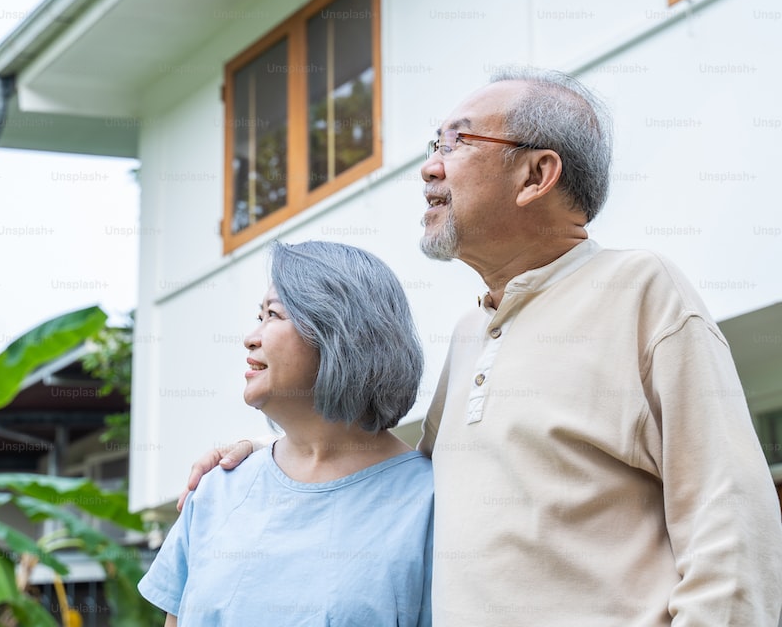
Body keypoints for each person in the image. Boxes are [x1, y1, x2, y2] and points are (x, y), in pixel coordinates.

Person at [181, 66, 782, 626]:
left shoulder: (642, 292)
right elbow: (414, 474)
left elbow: (732, 525)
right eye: (432, 146)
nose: (429, 168)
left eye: (456, 143)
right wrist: (285, 449)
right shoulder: (474, 333)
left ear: (537, 176)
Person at [140, 240, 434, 626]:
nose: (251, 337)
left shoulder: (430, 503)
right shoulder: (218, 489)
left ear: (339, 331)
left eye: (272, 315)